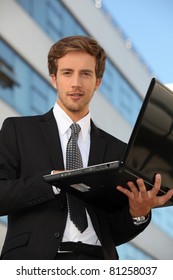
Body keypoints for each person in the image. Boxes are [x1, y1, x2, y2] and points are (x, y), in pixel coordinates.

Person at [0, 35, 172, 260]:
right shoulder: (18, 130)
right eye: (67, 72)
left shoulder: (118, 151)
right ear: (54, 79)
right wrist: (51, 182)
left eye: (86, 74)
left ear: (97, 82)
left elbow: (113, 231)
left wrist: (137, 213)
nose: (76, 83)